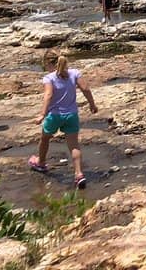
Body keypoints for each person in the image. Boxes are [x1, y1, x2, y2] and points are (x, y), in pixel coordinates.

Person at [29, 54, 98, 189]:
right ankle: (79, 174)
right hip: (71, 115)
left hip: (54, 116)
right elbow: (85, 88)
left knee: (45, 139)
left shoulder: (49, 78)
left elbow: (48, 95)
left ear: (48, 63)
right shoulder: (74, 73)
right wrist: (92, 104)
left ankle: (41, 162)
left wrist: (42, 114)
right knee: (74, 145)